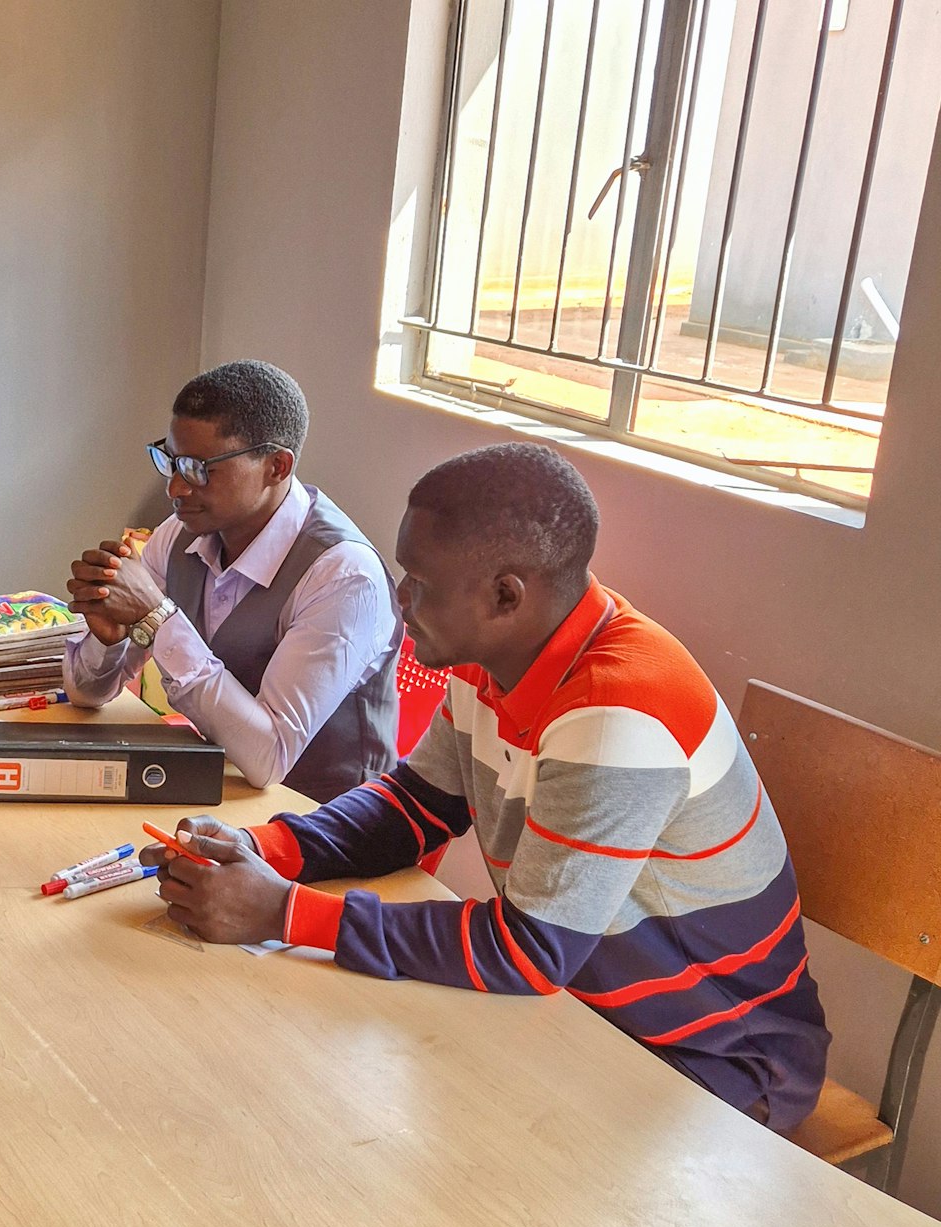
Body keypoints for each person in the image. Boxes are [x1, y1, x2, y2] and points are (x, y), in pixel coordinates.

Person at [143, 443, 829, 1130]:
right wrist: (262, 849)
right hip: (577, 1013)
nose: (400, 596)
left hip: (709, 1060)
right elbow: (414, 806)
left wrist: (281, 912)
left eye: (420, 581)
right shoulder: (493, 659)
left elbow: (530, 952)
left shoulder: (615, 715)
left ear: (506, 595)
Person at [64, 360, 400, 800]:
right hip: (217, 796)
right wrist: (108, 640)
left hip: (322, 820)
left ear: (277, 467)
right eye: (171, 462)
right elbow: (87, 695)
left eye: (200, 469)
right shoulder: (181, 535)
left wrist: (156, 618)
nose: (175, 489)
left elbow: (269, 759)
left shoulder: (344, 575)